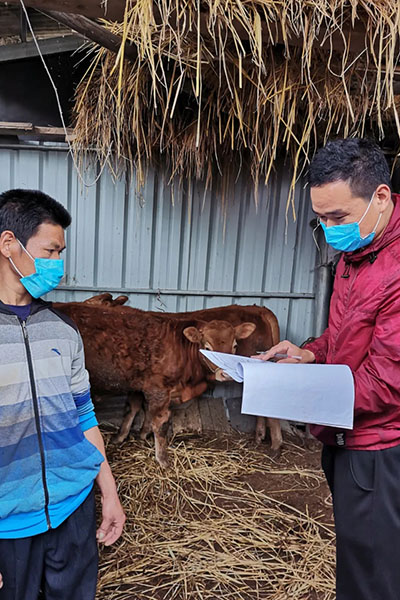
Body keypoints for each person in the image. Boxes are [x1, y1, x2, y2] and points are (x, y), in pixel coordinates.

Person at [256, 138, 400, 600]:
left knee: (375, 578)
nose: (329, 229)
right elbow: (342, 338)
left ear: (380, 197)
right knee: (358, 562)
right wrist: (310, 354)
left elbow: (387, 383)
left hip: (379, 449)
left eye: (338, 217)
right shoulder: (357, 254)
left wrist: (298, 390)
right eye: (320, 218)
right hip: (343, 436)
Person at [0, 189, 126, 600]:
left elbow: (84, 417)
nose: (58, 264)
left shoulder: (63, 330)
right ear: (8, 244)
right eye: (50, 252)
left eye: (61, 253)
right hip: (8, 524)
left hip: (73, 509)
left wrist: (109, 493)